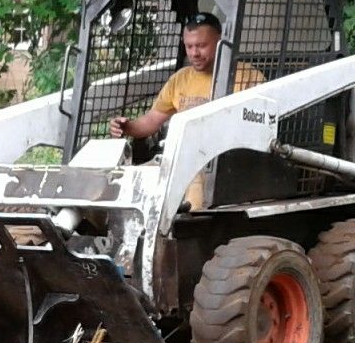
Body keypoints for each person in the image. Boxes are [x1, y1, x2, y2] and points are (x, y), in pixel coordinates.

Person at [109, 12, 265, 208]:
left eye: (201, 46)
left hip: (227, 165)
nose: (194, 53)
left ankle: (190, 223)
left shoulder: (248, 77)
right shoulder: (180, 79)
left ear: (220, 42)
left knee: (193, 173)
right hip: (179, 160)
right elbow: (151, 121)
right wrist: (127, 126)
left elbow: (256, 129)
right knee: (132, 178)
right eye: (189, 47)